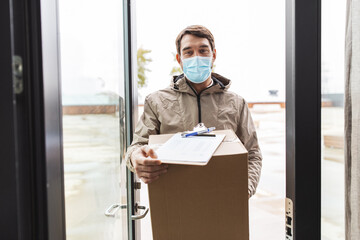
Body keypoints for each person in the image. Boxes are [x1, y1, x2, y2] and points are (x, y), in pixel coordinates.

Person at [125, 25, 262, 197]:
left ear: (213, 55)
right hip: (173, 201)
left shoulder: (237, 103)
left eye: (203, 50)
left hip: (225, 200)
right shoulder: (156, 101)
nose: (196, 57)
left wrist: (244, 190)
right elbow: (136, 147)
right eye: (188, 52)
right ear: (179, 59)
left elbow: (253, 153)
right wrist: (135, 158)